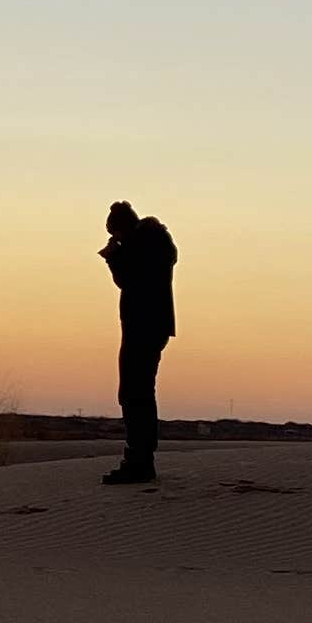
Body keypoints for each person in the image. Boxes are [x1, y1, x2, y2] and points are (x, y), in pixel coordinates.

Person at [99, 197, 179, 485]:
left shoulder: (143, 246)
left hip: (143, 326)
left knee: (135, 393)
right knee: (138, 392)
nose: (115, 239)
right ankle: (139, 458)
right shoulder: (154, 243)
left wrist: (113, 257)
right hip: (150, 326)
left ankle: (139, 461)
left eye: (115, 234)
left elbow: (129, 280)